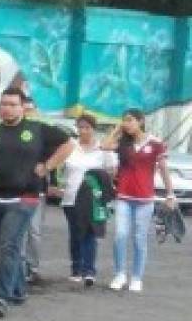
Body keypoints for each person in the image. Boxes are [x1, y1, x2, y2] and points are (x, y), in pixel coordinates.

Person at [0, 87, 74, 318]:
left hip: (25, 198)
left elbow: (68, 145)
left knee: (9, 245)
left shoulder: (37, 129)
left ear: (23, 107)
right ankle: (19, 289)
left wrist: (48, 166)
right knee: (8, 248)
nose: (7, 108)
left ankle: (0, 297)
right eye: (4, 104)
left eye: (13, 104)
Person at [100, 109, 177, 293]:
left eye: (130, 120)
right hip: (124, 197)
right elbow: (104, 145)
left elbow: (164, 169)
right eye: (124, 120)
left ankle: (136, 277)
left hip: (145, 199)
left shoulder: (156, 144)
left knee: (139, 238)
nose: (127, 124)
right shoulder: (123, 143)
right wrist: (118, 129)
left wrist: (170, 194)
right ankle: (119, 274)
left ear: (141, 121)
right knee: (120, 235)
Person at [58, 114, 116, 287]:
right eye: (80, 127)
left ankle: (89, 271)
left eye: (87, 127)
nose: (83, 131)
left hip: (93, 199)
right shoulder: (71, 146)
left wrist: (109, 151)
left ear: (93, 128)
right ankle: (76, 269)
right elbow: (61, 169)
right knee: (75, 233)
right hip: (71, 196)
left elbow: (112, 171)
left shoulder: (102, 147)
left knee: (90, 233)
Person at [21, 95, 52, 284]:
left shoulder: (42, 131)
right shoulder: (12, 131)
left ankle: (33, 267)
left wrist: (48, 167)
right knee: (19, 230)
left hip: (36, 189)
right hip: (14, 191)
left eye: (31, 110)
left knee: (34, 230)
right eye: (25, 109)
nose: (28, 114)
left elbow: (62, 148)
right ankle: (20, 266)